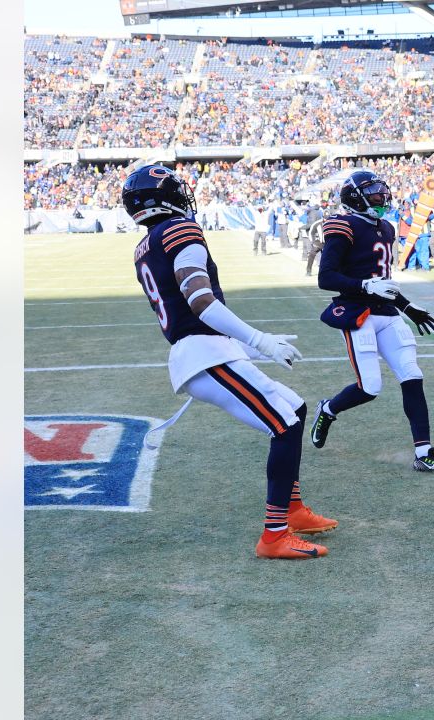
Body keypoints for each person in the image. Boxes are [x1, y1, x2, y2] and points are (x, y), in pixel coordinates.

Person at [122, 164, 334, 560]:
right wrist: (259, 341)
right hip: (203, 356)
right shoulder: (178, 231)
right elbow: (199, 302)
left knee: (296, 407)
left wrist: (249, 348)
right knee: (284, 425)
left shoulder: (147, 244)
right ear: (160, 197)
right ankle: (274, 535)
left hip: (207, 351)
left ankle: (293, 509)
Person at [308, 170, 434, 475]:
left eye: (382, 191)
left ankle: (424, 453)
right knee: (370, 387)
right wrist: (363, 286)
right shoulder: (343, 225)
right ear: (355, 197)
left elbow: (383, 282)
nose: (382, 196)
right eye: (374, 192)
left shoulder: (386, 228)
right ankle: (328, 409)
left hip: (387, 314)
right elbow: (326, 278)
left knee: (412, 375)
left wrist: (407, 307)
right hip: (358, 314)